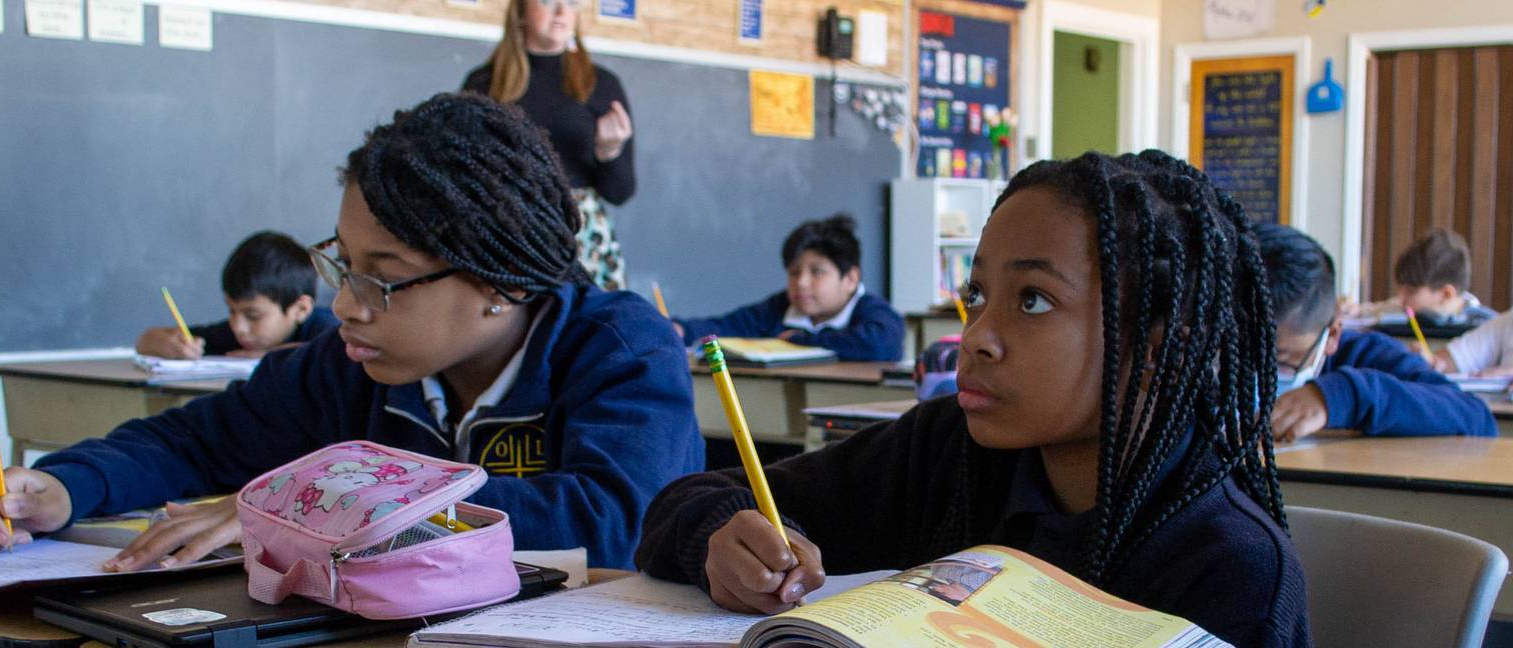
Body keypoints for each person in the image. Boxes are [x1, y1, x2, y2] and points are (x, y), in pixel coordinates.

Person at [0, 93, 701, 569]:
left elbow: (621, 522)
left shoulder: (619, 349)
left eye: (383, 276)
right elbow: (194, 441)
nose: (346, 304)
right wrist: (64, 484)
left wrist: (312, 505)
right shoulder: (351, 366)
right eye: (342, 266)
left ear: (500, 283)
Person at [634, 151, 1310, 648]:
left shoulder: (1230, 568)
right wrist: (719, 540)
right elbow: (685, 499)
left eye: (1034, 300)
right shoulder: (949, 448)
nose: (978, 337)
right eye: (977, 296)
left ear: (1158, 343)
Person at [1253, 223, 1495, 440]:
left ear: (1332, 336)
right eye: (1227, 354)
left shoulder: (1367, 355)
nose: (1247, 375)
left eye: (1280, 361)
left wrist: (1344, 396)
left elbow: (1476, 418)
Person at [463, 0, 635, 290]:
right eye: (547, 1)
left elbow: (620, 193)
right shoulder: (484, 83)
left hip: (581, 240)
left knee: (584, 331)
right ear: (520, 11)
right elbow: (463, 174)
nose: (561, 11)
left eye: (572, 2)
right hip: (504, 232)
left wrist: (609, 151)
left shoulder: (602, 84)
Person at [671, 214, 904, 361]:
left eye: (816, 272)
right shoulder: (781, 307)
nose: (801, 282)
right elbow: (729, 326)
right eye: (794, 272)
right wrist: (682, 330)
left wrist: (802, 340)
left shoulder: (874, 312)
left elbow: (880, 345)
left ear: (851, 279)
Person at [135, 231, 339, 359]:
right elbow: (145, 340)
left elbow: (337, 353)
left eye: (253, 315)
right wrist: (165, 344)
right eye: (231, 310)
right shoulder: (240, 336)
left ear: (301, 309)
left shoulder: (327, 327)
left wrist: (268, 356)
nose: (238, 327)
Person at [1347, 228, 1497, 329]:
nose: (1401, 298)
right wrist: (1351, 311)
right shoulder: (1399, 309)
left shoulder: (1487, 326)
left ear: (1446, 294)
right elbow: (1363, 313)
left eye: (1411, 292)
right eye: (1401, 290)